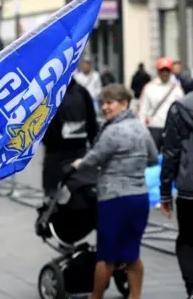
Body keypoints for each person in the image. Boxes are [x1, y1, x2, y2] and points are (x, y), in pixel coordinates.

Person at [72, 84, 158, 299]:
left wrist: (76, 165)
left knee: (106, 255)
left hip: (114, 199)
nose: (105, 108)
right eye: (103, 103)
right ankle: (135, 296)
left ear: (124, 104)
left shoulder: (111, 131)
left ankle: (96, 297)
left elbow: (93, 159)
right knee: (132, 253)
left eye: (110, 103)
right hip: (139, 198)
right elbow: (154, 158)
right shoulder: (141, 128)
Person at [160, 91, 193, 299]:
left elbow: (171, 152)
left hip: (189, 188)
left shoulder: (180, 107)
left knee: (188, 241)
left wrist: (164, 193)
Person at [41, 79, 98, 198]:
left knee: (54, 198)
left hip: (56, 153)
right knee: (79, 194)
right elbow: (92, 122)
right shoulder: (82, 92)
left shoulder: (49, 92)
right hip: (77, 151)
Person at [138, 57, 184, 151]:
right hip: (154, 127)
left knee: (171, 155)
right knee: (153, 156)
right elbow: (143, 110)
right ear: (158, 71)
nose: (164, 73)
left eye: (167, 70)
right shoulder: (149, 88)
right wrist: (142, 128)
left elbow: (181, 109)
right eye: (162, 70)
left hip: (172, 128)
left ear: (171, 71)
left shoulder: (177, 88)